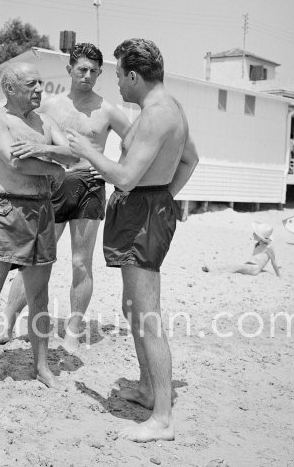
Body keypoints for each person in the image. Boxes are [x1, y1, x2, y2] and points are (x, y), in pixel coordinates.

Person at [67, 38, 199, 442]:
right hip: (145, 208)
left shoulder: (159, 115)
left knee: (146, 315)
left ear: (134, 75)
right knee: (132, 307)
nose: (117, 85)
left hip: (142, 213)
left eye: (120, 74)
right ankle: (147, 389)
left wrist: (89, 152)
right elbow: (191, 159)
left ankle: (162, 418)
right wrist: (164, 197)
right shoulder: (165, 108)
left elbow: (124, 177)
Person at [0, 43, 131, 353]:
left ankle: (73, 331)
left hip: (89, 187)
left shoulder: (107, 110)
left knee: (82, 263)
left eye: (94, 71)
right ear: (69, 69)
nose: (88, 75)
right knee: (34, 259)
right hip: (53, 185)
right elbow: (21, 130)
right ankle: (8, 323)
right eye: (82, 69)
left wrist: (113, 170)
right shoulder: (49, 105)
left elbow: (135, 139)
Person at [0, 62, 77, 400]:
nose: (39, 89)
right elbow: (14, 161)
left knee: (39, 296)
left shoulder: (45, 122)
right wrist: (54, 168)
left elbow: (72, 156)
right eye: (32, 84)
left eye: (40, 83)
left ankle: (41, 366)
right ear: (11, 88)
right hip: (6, 210)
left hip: (41, 212)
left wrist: (44, 150)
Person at [202, 221, 281, 276]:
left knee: (238, 267)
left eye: (255, 233)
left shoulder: (268, 247)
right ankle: (215, 269)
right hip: (250, 265)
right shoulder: (257, 244)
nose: (253, 234)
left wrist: (279, 275)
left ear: (260, 237)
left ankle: (214, 272)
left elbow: (274, 262)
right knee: (233, 265)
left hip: (255, 268)